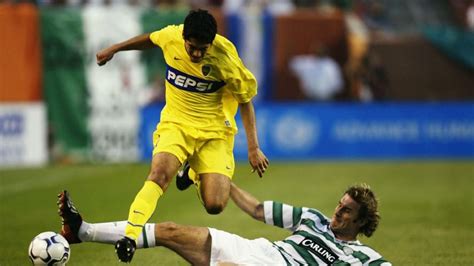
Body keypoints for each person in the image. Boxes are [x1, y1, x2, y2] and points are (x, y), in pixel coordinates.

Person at [94, 9, 269, 262]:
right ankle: (130, 235)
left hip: (214, 133)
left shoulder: (227, 59)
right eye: (192, 47)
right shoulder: (171, 36)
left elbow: (245, 101)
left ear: (212, 42)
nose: (196, 53)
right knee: (159, 174)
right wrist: (115, 48)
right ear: (183, 37)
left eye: (203, 48)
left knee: (215, 204)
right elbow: (151, 39)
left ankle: (190, 172)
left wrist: (253, 148)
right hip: (176, 124)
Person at [58, 177, 390, 264]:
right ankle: (82, 231)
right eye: (340, 204)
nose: (338, 211)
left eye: (347, 211)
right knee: (171, 231)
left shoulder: (360, 258)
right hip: (259, 250)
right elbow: (259, 210)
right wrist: (224, 183)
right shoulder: (313, 219)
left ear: (361, 222)